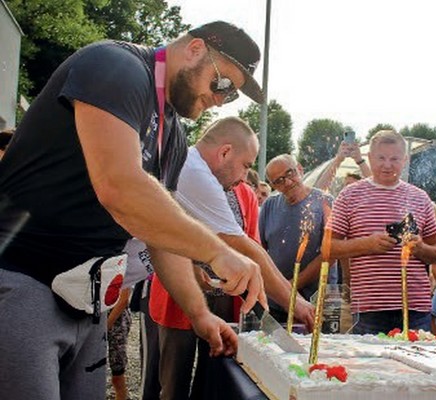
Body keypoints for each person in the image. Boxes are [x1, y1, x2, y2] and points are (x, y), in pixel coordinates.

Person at [0, 21, 267, 400]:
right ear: (194, 49)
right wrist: (216, 252)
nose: (221, 99)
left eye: (232, 95)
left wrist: (199, 314)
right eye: (222, 83)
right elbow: (119, 185)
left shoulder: (173, 133)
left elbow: (159, 232)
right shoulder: (116, 66)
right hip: (25, 279)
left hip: (85, 300)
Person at [148, 118, 314, 400]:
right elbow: (245, 248)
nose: (245, 176)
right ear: (224, 152)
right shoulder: (197, 173)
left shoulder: (201, 171)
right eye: (247, 165)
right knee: (172, 384)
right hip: (82, 275)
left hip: (216, 297)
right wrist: (295, 302)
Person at [330, 130, 436, 334]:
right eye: (381, 158)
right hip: (368, 309)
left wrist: (420, 248)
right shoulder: (348, 195)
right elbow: (328, 248)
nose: (387, 165)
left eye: (395, 159)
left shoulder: (420, 197)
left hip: (415, 308)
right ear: (369, 158)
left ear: (405, 160)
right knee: (370, 365)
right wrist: (367, 244)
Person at [260, 154, 334, 321]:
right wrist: (282, 289)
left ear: (300, 169)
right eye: (278, 181)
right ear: (273, 185)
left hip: (317, 300)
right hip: (277, 302)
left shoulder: (325, 202)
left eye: (290, 173)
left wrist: (292, 285)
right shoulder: (269, 206)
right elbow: (261, 250)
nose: (287, 182)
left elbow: (330, 254)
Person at [107, 287, 133, 400]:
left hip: (117, 321)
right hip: (96, 318)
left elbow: (123, 300)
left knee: (117, 372)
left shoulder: (123, 270)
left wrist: (106, 326)